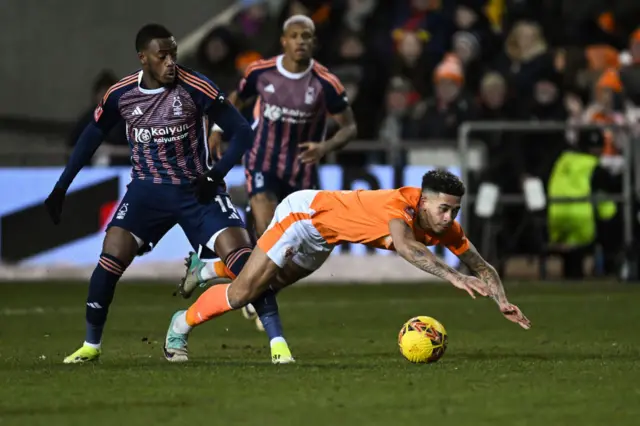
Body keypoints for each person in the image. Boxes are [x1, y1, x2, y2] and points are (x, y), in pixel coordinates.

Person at [43, 24, 294, 364]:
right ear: (143, 58)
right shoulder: (121, 94)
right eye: (162, 57)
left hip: (197, 191)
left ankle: (278, 345)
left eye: (173, 54)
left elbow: (242, 134)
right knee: (110, 258)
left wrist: (214, 175)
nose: (170, 62)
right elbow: (91, 136)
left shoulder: (195, 86)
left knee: (244, 262)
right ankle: (91, 346)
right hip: (147, 193)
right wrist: (62, 186)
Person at [164, 170, 531, 362]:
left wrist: (501, 300)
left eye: (454, 210)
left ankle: (208, 269)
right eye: (443, 209)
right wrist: (451, 275)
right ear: (422, 202)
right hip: (302, 216)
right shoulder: (398, 206)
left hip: (324, 238)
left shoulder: (447, 227)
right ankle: (180, 325)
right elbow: (406, 247)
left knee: (266, 282)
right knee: (247, 291)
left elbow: (484, 267)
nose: (449, 217)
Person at [178, 14, 357, 326]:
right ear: (284, 41)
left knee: (297, 248)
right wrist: (218, 129)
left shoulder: (326, 82)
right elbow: (231, 101)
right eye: (295, 36)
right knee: (268, 234)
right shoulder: (260, 72)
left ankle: (213, 271)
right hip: (263, 162)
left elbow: (349, 127)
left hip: (302, 170)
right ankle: (261, 299)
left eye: (307, 36)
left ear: (314, 42)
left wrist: (325, 147)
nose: (301, 41)